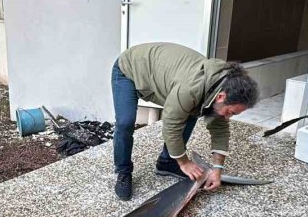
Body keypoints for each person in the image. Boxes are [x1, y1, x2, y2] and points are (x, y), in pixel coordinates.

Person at [111, 42, 259, 200]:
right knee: (125, 122)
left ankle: (167, 163)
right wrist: (184, 162)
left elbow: (220, 129)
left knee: (192, 111)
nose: (228, 117)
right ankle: (123, 171)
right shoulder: (191, 88)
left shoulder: (223, 85)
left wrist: (218, 168)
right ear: (221, 97)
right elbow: (171, 125)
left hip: (159, 76)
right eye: (230, 112)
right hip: (129, 70)